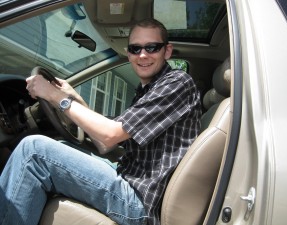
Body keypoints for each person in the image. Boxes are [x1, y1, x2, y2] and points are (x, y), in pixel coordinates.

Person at [0, 18, 202, 225]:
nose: (143, 55)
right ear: (129, 53)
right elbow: (106, 143)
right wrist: (74, 98)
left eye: (152, 47)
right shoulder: (148, 91)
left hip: (140, 203)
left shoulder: (177, 83)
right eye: (135, 48)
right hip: (130, 180)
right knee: (57, 146)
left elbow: (109, 134)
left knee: (33, 151)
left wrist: (53, 95)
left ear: (167, 51)